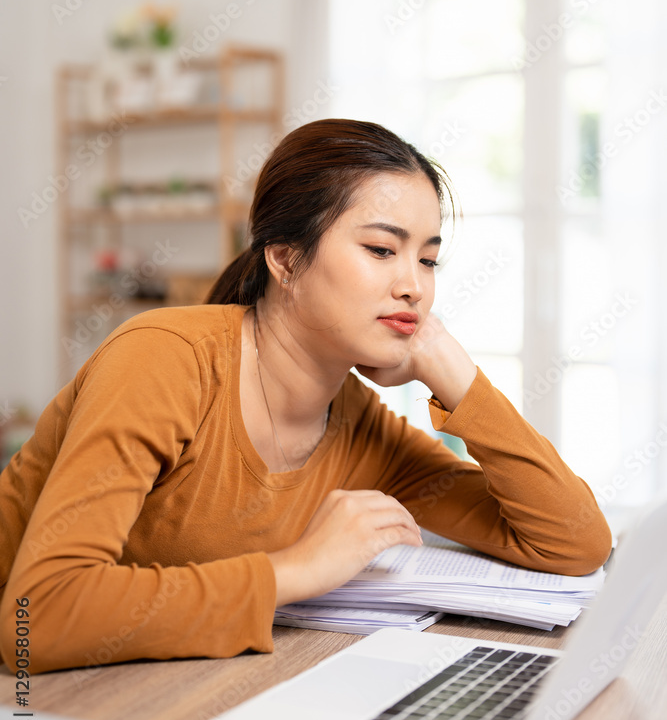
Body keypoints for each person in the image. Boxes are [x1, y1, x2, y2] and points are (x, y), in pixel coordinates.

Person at [0, 118, 611, 675]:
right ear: (287, 261)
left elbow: (573, 543)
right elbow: (39, 618)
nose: (414, 287)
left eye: (427, 260)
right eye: (381, 250)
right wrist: (299, 570)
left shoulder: (360, 426)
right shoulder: (164, 359)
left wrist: (460, 380)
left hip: (158, 690)